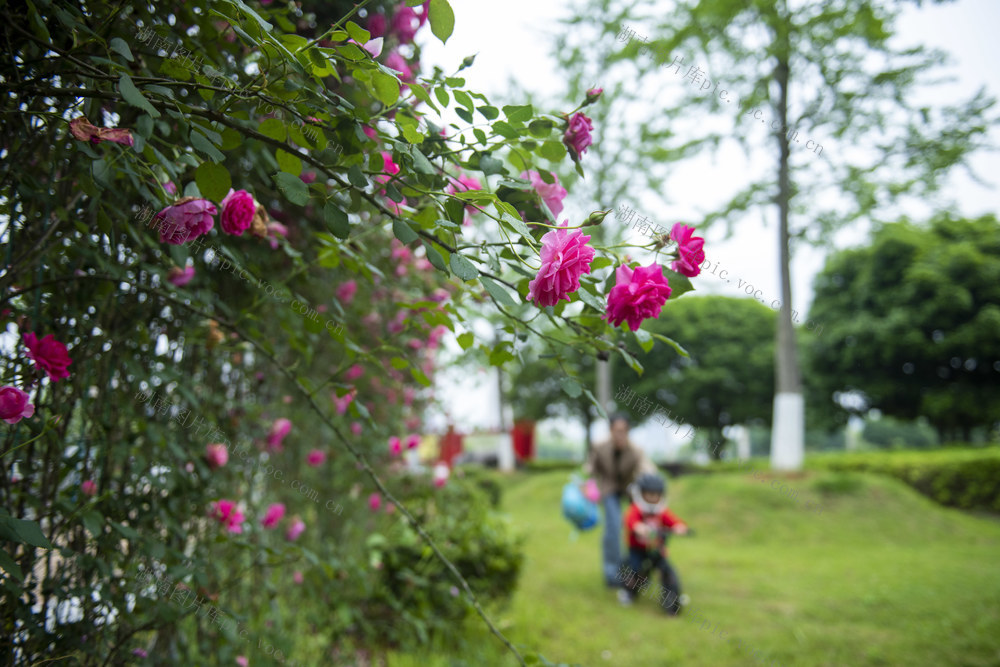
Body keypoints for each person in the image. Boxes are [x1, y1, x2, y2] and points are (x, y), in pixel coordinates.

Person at [584, 413, 657, 587]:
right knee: (613, 528)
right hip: (609, 488)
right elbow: (590, 468)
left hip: (631, 489)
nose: (620, 434)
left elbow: (647, 467)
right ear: (610, 430)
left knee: (641, 528)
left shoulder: (636, 450)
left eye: (624, 430)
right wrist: (585, 483)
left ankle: (637, 570)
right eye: (617, 430)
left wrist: (652, 481)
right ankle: (612, 574)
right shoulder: (599, 447)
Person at [617, 472, 689, 614]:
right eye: (649, 494)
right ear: (641, 493)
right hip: (637, 549)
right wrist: (638, 527)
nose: (653, 497)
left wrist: (680, 527)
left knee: (667, 570)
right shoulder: (636, 509)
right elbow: (630, 520)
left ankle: (674, 596)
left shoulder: (662, 511)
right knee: (634, 568)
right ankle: (628, 593)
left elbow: (674, 521)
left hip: (656, 549)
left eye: (656, 494)